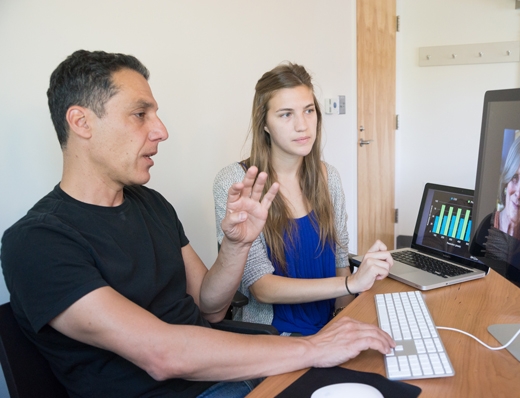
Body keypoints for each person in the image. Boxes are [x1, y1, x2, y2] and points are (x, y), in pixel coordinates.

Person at [0, 50, 395, 398]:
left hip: (233, 374)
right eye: (140, 114)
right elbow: (164, 355)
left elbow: (211, 307)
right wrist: (315, 348)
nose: (161, 131)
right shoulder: (37, 241)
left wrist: (236, 245)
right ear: (81, 122)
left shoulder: (150, 204)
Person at [213, 63, 392, 336]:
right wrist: (351, 285)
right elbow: (262, 287)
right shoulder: (236, 182)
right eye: (286, 115)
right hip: (276, 335)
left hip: (328, 328)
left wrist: (343, 319)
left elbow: (341, 261)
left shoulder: (328, 176)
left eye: (309, 111)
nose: (302, 125)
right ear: (264, 124)